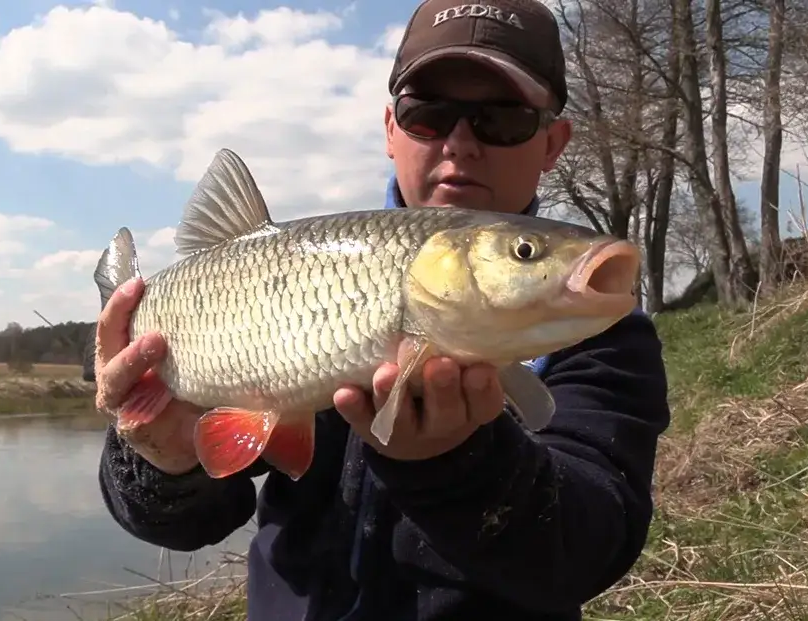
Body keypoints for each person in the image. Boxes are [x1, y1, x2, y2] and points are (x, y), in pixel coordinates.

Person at [92, 0, 671, 619]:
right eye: (429, 115)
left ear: (553, 142)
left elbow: (589, 548)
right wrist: (163, 460)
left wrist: (457, 465)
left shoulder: (606, 338)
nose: (460, 144)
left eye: (501, 119)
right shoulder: (310, 282)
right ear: (391, 130)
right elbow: (182, 527)